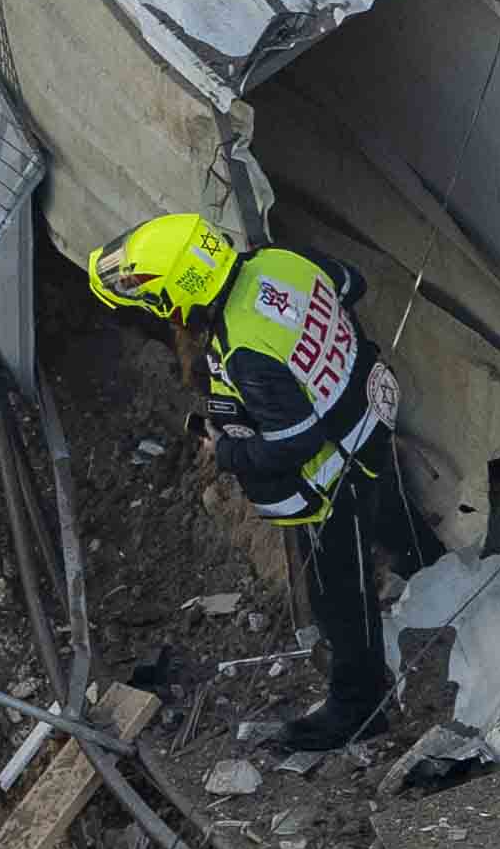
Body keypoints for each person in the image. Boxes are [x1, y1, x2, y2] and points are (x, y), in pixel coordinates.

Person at [98, 214, 419, 755]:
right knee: (390, 510)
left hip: (336, 475)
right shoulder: (275, 264)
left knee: (338, 596)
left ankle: (359, 707)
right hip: (372, 413)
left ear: (179, 295)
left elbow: (295, 441)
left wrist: (225, 450)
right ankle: (419, 556)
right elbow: (349, 284)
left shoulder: (245, 348)